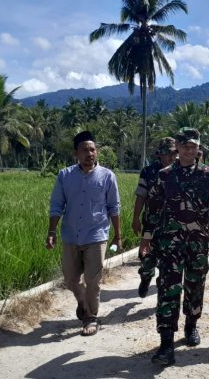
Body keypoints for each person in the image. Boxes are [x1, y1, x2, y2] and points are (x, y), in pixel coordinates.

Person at [147, 127, 209, 366]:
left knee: (195, 285)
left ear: (198, 149)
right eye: (184, 146)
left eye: (193, 146)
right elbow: (153, 207)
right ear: (177, 149)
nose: (188, 150)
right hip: (169, 243)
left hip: (197, 242)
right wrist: (147, 237)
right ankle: (166, 342)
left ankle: (191, 324)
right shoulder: (164, 175)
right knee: (167, 288)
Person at [46, 130, 121, 337]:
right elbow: (56, 205)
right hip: (71, 235)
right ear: (75, 154)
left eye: (92, 149)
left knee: (92, 280)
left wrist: (118, 235)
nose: (90, 153)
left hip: (97, 235)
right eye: (84, 150)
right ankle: (81, 301)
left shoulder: (107, 176)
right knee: (70, 278)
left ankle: (91, 317)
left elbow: (114, 207)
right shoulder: (65, 176)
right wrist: (51, 231)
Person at [132, 137, 178, 298]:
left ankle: (163, 282)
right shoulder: (149, 171)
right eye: (168, 153)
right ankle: (146, 277)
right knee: (147, 259)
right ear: (160, 155)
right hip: (151, 224)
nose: (172, 157)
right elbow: (141, 196)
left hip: (174, 226)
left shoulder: (181, 171)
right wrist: (135, 218)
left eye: (174, 153)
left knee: (170, 263)